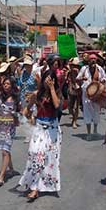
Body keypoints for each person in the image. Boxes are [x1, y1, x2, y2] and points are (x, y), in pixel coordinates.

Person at [19, 70, 62, 201]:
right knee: (34, 154)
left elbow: (57, 105)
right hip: (39, 129)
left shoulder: (56, 93)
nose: (48, 81)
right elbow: (27, 109)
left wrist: (52, 88)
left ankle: (36, 187)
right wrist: (26, 115)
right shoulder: (36, 95)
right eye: (46, 79)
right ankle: (34, 185)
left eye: (51, 79)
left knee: (48, 159)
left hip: (52, 130)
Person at [0, 77, 20, 187]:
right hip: (0, 127)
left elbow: (19, 113)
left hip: (10, 128)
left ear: (12, 86)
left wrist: (15, 116)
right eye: (4, 84)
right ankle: (11, 169)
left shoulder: (15, 99)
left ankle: (1, 177)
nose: (6, 86)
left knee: (5, 151)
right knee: (5, 150)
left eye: (8, 84)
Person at [77, 54, 106, 138]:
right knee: (87, 113)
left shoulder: (100, 69)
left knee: (96, 112)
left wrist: (103, 80)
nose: (93, 61)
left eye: (94, 59)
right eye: (91, 59)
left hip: (97, 95)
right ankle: (89, 133)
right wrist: (82, 79)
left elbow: (104, 77)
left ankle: (95, 130)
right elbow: (77, 78)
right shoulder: (84, 69)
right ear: (88, 61)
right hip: (86, 94)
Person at [67, 58, 82, 128]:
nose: (74, 67)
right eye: (73, 65)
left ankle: (74, 121)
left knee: (76, 107)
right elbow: (68, 80)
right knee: (70, 108)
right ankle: (74, 117)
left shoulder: (80, 72)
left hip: (78, 90)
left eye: (76, 66)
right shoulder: (69, 72)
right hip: (71, 90)